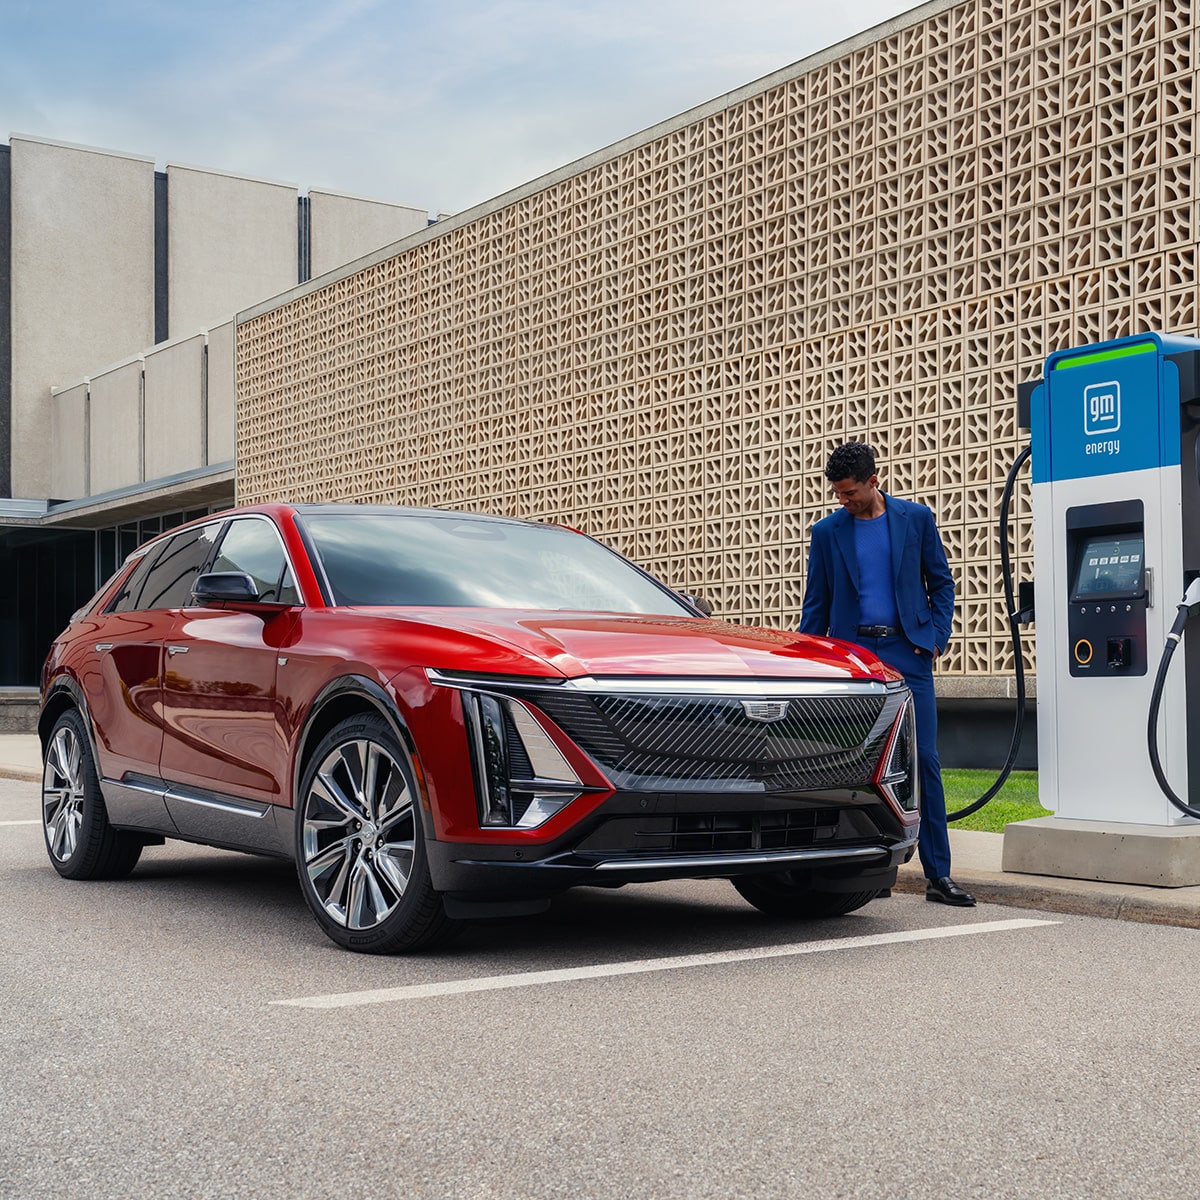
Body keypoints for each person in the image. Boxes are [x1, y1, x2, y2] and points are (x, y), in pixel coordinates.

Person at [799, 441, 975, 907]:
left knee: (924, 761)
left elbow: (940, 581)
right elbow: (815, 604)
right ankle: (869, 873)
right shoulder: (827, 533)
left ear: (874, 481)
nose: (844, 500)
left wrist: (935, 638)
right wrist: (809, 663)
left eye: (851, 491)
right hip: (854, 657)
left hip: (908, 652)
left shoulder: (915, 519)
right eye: (838, 493)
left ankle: (939, 876)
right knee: (857, 764)